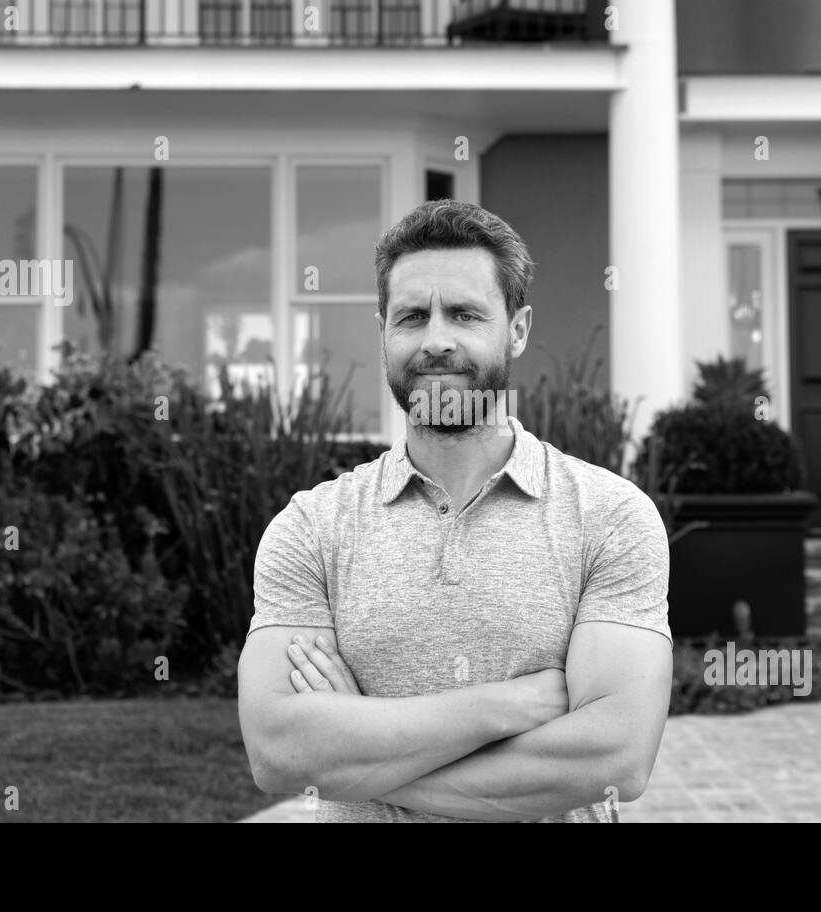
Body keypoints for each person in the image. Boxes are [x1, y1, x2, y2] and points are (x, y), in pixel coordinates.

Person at [236, 199, 672, 822]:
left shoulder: (610, 517)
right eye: (412, 317)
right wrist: (510, 706)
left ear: (517, 329)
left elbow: (615, 760)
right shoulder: (311, 528)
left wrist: (357, 761)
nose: (436, 340)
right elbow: (279, 754)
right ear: (383, 330)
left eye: (465, 314)